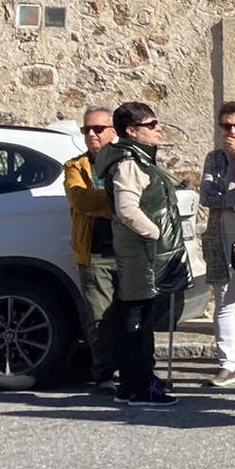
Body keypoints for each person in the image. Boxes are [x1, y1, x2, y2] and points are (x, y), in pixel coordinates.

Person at [97, 101, 187, 408]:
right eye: (151, 125)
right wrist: (156, 233)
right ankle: (138, 386)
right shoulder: (128, 163)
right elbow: (127, 209)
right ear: (132, 131)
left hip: (143, 252)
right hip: (140, 252)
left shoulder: (137, 158)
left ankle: (134, 383)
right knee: (136, 317)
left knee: (137, 314)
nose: (158, 129)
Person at [62, 107, 120, 391]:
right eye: (87, 130)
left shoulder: (125, 162)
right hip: (95, 253)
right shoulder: (76, 166)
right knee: (99, 318)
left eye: (98, 129)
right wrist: (117, 202)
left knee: (135, 316)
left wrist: (113, 202)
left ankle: (139, 370)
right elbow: (81, 200)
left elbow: (140, 198)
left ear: (113, 131)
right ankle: (105, 374)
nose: (92, 135)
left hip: (128, 251)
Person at [198, 101, 235, 387]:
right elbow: (206, 195)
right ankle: (227, 364)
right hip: (221, 234)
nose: (232, 131)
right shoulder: (215, 158)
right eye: (226, 126)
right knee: (223, 299)